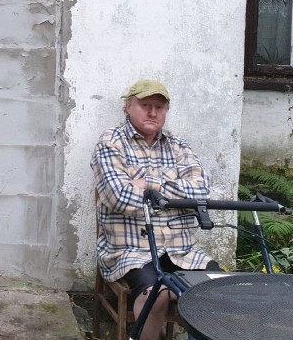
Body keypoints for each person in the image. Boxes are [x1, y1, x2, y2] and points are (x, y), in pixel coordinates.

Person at [91, 79, 221, 340]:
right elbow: (120, 197)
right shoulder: (111, 143)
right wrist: (174, 189)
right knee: (157, 296)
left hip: (182, 250)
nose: (153, 112)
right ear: (128, 106)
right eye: (145, 105)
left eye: (159, 107)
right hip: (131, 250)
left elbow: (200, 191)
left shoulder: (179, 146)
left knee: (219, 289)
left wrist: (148, 184)